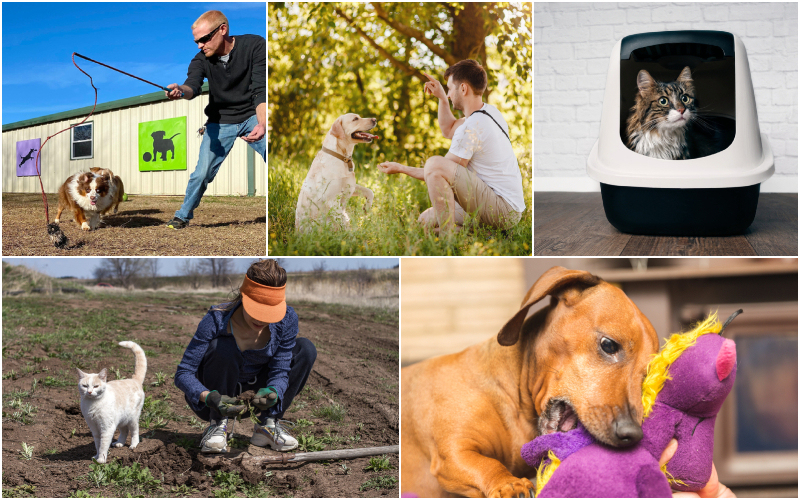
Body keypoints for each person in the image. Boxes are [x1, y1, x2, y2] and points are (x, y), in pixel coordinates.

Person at [174, 259, 316, 453]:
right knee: (223, 347)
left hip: (257, 395)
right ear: (243, 295)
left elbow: (281, 370)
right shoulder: (216, 319)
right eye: (256, 310)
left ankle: (267, 425)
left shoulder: (287, 319)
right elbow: (183, 373)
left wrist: (274, 391)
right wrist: (210, 398)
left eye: (269, 313)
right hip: (216, 398)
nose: (262, 319)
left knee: (305, 349)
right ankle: (217, 426)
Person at [377, 59, 525, 234]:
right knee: (424, 221)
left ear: (463, 88)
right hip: (505, 206)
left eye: (449, 89)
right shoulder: (488, 113)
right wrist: (441, 98)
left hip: (502, 210)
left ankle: (449, 239)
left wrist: (401, 168)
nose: (448, 94)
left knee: (434, 164)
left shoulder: (471, 128)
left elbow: (436, 172)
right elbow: (448, 129)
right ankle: (483, 235)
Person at [165, 10, 266, 229]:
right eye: (196, 41)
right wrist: (180, 90)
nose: (199, 45)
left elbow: (261, 89)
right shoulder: (200, 59)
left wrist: (262, 123)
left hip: (252, 114)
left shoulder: (255, 45)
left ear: (222, 29)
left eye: (203, 39)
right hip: (220, 122)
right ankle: (182, 216)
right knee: (201, 173)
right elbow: (192, 85)